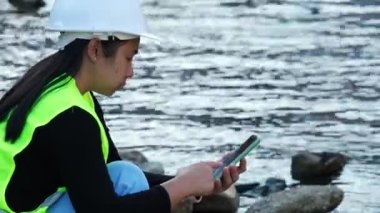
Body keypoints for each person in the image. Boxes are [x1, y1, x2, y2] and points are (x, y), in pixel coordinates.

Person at [0, 0, 247, 212]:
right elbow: (103, 209)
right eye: (129, 57)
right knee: (127, 178)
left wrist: (193, 180)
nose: (131, 71)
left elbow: (101, 175)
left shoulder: (59, 92)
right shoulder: (70, 117)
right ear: (95, 49)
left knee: (124, 175)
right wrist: (181, 186)